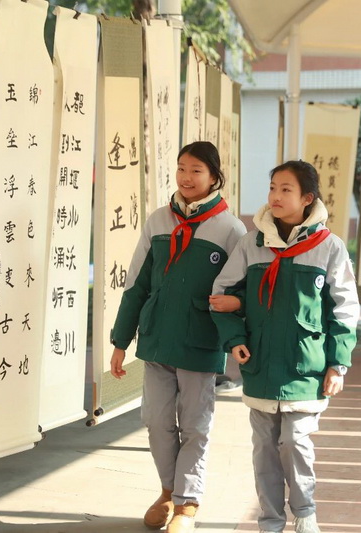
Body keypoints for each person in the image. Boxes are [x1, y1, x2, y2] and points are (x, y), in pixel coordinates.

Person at [210, 160, 360, 533]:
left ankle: (305, 513)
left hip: (305, 368)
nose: (275, 196)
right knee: (264, 449)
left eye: (286, 189)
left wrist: (337, 365)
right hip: (260, 366)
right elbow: (222, 293)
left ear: (308, 198)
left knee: (294, 441)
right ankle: (270, 521)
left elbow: (344, 309)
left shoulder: (330, 247)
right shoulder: (251, 243)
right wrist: (235, 339)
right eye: (273, 188)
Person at [109, 141, 247, 533]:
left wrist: (235, 337)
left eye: (196, 170)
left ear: (214, 177)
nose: (186, 177)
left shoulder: (231, 229)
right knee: (156, 421)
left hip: (200, 344)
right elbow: (137, 284)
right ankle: (167, 492)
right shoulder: (158, 220)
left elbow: (239, 291)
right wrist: (121, 340)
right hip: (156, 340)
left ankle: (188, 503)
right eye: (182, 168)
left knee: (195, 426)